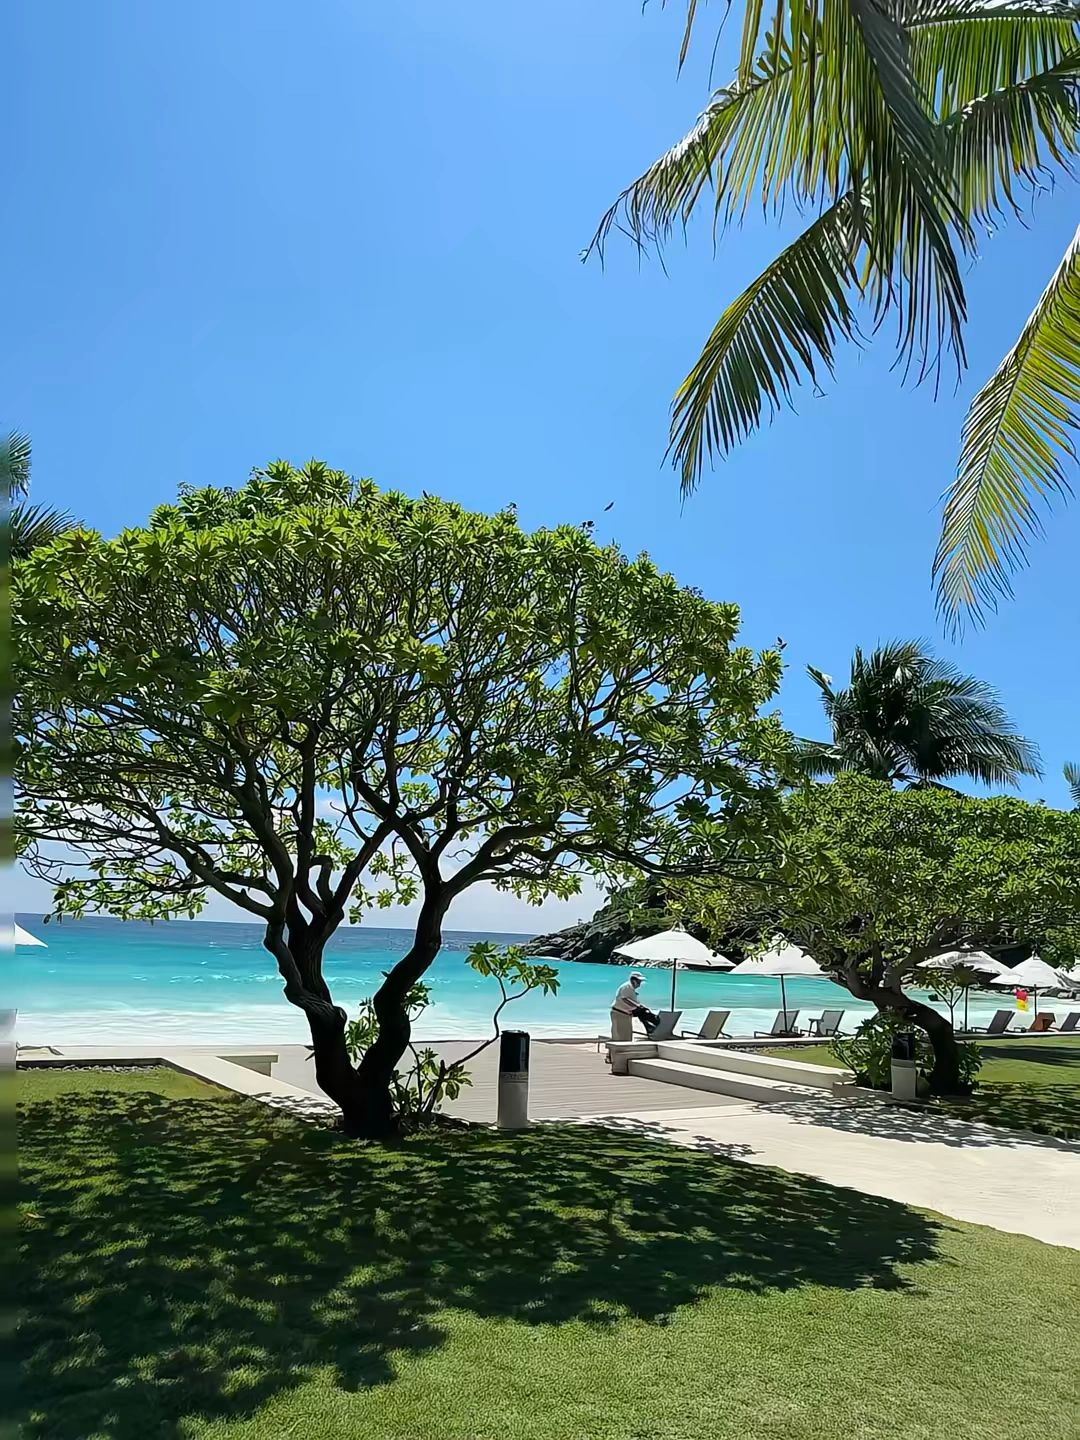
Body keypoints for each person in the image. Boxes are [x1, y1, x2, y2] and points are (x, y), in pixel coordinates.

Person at [610, 972, 645, 1041]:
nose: (639, 984)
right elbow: (624, 999)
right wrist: (637, 1006)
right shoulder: (627, 987)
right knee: (620, 1036)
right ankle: (619, 1051)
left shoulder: (631, 988)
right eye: (638, 982)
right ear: (633, 980)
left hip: (625, 1014)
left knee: (626, 1035)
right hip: (620, 1013)